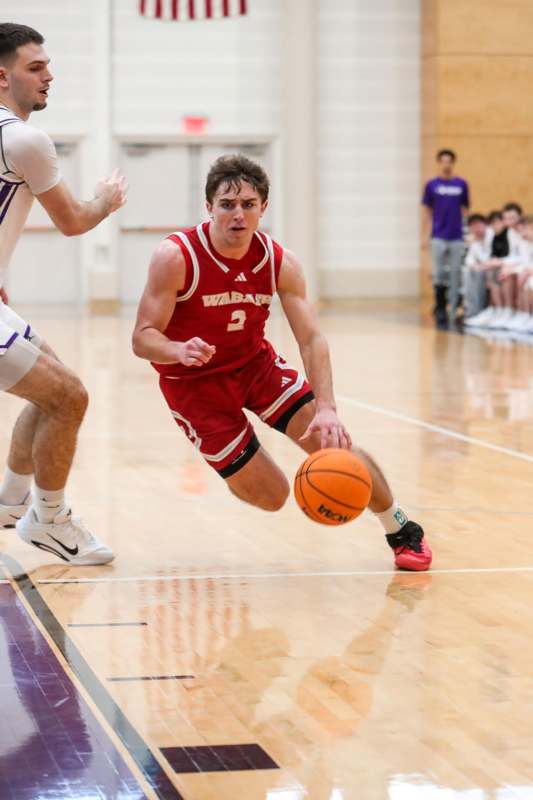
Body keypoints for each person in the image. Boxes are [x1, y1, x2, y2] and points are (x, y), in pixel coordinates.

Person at [132, 154, 432, 571]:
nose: (238, 215)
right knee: (272, 496)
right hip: (193, 386)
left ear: (263, 208)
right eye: (227, 204)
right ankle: (239, 459)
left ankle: (401, 528)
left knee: (333, 444)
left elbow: (310, 337)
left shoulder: (279, 261)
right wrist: (176, 350)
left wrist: (327, 407)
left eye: (248, 205)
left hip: (254, 367)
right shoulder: (176, 256)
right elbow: (142, 338)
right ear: (209, 207)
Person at [0, 23, 128, 564]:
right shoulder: (25, 139)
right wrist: (106, 200)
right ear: (2, 77)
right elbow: (74, 221)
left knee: (54, 385)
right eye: (35, 67)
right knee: (69, 396)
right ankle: (48, 520)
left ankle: (10, 504)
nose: (49, 75)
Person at [422, 149, 470, 325]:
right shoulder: (432, 185)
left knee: (456, 272)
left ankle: (454, 306)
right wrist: (425, 236)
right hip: (438, 235)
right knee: (439, 272)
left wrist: (466, 232)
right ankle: (440, 306)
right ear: (439, 163)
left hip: (456, 236)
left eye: (449, 161)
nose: (446, 164)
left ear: (453, 163)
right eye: (443, 161)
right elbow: (427, 212)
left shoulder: (461, 184)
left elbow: (465, 210)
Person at [462, 213, 491, 320]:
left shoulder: (492, 235)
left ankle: (479, 310)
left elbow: (491, 258)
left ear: (485, 224)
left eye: (478, 225)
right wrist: (474, 265)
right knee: (467, 271)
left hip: (493, 268)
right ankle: (471, 311)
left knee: (477, 273)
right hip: (482, 268)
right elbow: (469, 259)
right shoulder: (474, 240)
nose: (476, 229)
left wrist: (480, 265)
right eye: (473, 226)